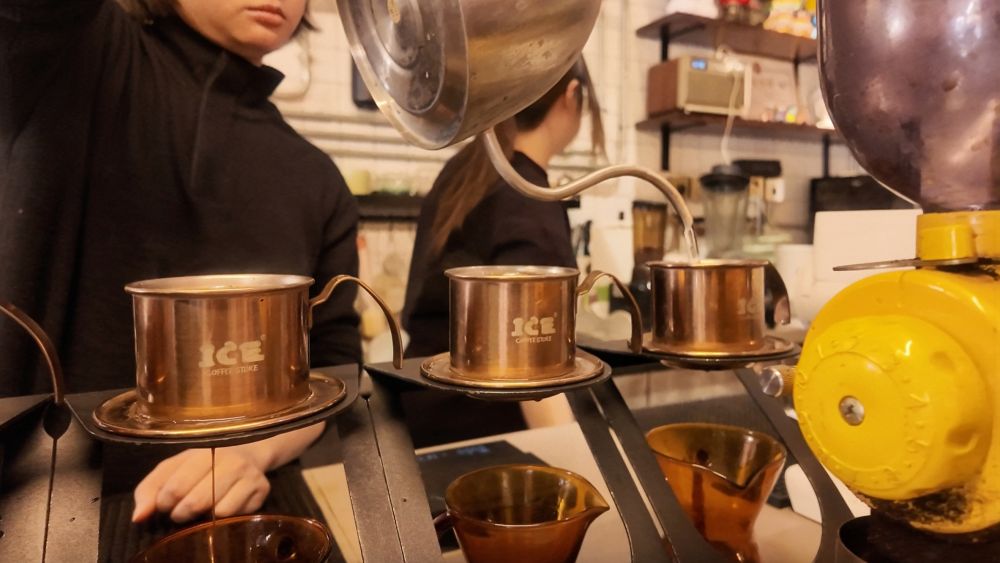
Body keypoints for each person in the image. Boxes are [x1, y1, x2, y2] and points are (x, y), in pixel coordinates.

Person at [0, 0, 360, 523]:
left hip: (248, 511)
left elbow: (334, 364)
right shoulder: (77, 52)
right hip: (41, 517)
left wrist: (251, 452)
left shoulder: (316, 176)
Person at [401, 60, 604, 438]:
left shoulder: (465, 171)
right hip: (479, 432)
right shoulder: (528, 198)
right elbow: (531, 366)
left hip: (420, 410)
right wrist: (577, 459)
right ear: (572, 95)